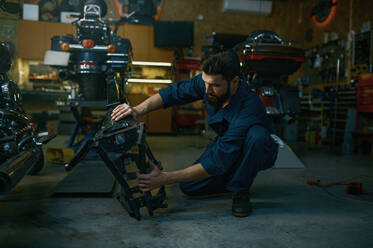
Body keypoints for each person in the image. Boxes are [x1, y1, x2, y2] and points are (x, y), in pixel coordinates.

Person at [111, 50, 278, 217]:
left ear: (235, 82)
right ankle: (231, 176)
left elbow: (219, 159)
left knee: (257, 137)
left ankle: (240, 191)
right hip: (225, 143)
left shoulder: (249, 106)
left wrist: (165, 178)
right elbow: (172, 94)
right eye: (205, 82)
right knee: (188, 187)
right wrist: (136, 110)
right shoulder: (209, 82)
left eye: (215, 85)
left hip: (255, 148)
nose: (207, 90)